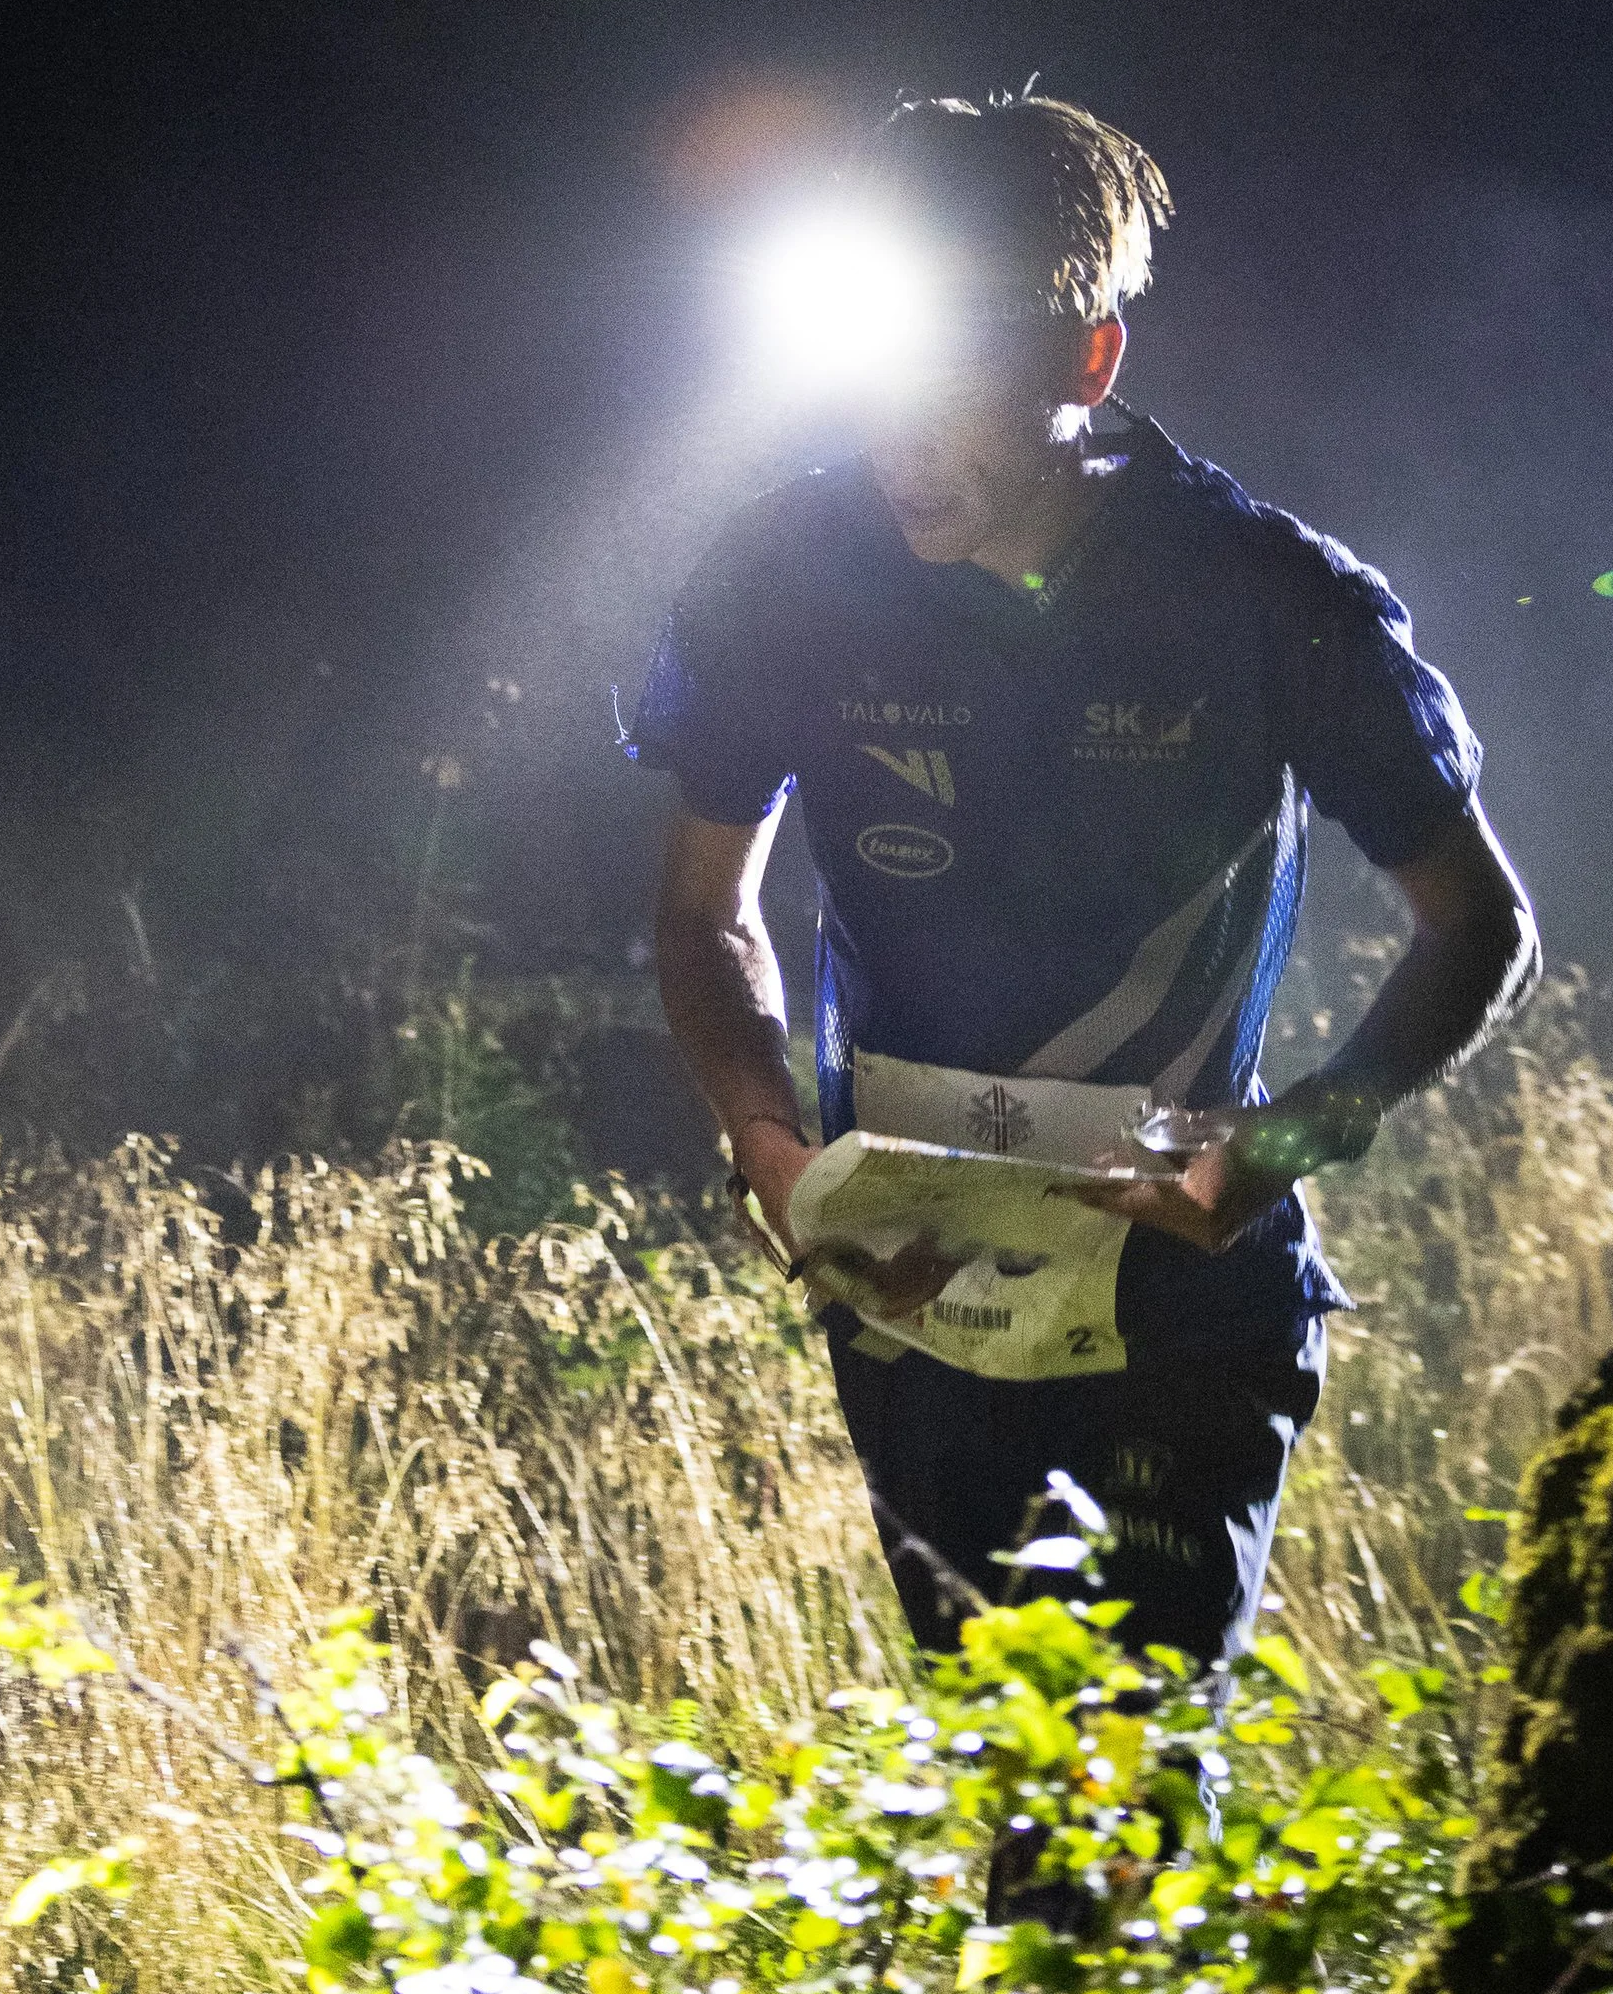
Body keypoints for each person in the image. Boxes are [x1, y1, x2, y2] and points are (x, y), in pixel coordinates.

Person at [634, 91, 1537, 1678]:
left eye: (955, 381)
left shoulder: (1267, 599)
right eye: (875, 379)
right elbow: (708, 907)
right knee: (1005, 1765)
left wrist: (1292, 1139)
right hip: (911, 1283)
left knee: (1112, 1788)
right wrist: (767, 1145)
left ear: (1089, 360)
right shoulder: (788, 576)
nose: (902, 441)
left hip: (1181, 1295)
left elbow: (1482, 927)